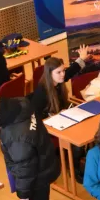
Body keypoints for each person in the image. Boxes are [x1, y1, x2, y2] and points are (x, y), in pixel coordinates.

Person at [31, 49, 89, 181]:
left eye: (63, 70)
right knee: (76, 138)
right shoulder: (41, 92)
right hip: (47, 127)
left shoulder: (58, 81)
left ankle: (80, 161)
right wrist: (54, 116)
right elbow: (37, 116)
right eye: (59, 72)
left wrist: (82, 58)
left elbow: (70, 72)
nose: (63, 74)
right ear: (49, 74)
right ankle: (75, 169)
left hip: (61, 119)